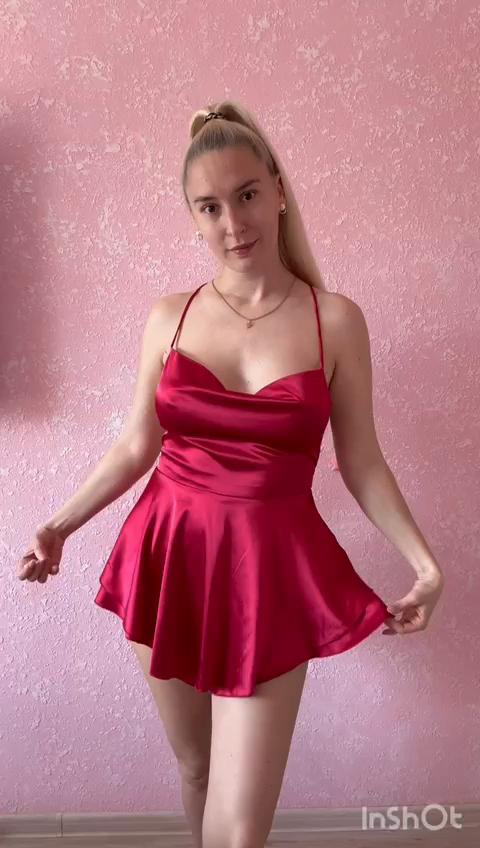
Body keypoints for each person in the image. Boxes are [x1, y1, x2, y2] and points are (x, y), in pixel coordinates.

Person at [17, 100, 444, 848]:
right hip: (167, 554)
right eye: (209, 207)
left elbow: (362, 462)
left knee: (241, 828)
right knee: (196, 769)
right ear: (192, 218)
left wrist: (424, 565)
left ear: (277, 189)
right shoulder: (170, 317)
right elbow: (135, 446)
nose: (233, 223)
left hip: (268, 573)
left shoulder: (335, 321)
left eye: (246, 195)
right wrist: (59, 525)